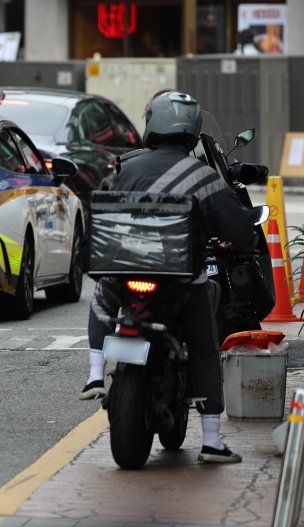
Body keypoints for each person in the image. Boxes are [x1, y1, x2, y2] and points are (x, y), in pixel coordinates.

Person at [80, 91, 256, 464]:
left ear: (151, 126)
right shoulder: (202, 175)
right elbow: (238, 228)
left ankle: (96, 373)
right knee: (205, 348)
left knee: (100, 298)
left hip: (122, 276)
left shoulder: (128, 169)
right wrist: (243, 242)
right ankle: (211, 441)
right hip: (178, 282)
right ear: (191, 130)